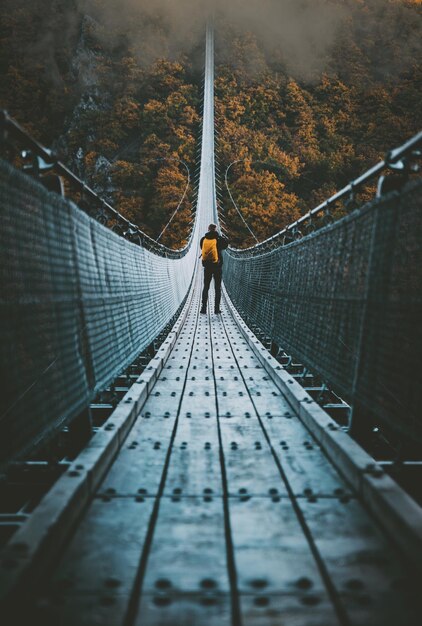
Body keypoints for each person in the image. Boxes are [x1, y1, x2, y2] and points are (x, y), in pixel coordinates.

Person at [200, 223, 228, 314]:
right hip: (217, 266)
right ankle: (216, 309)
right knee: (217, 288)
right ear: (215, 230)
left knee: (206, 287)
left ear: (208, 229)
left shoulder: (203, 239)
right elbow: (225, 246)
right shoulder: (219, 239)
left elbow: (202, 248)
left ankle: (203, 308)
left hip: (207, 266)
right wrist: (221, 236)